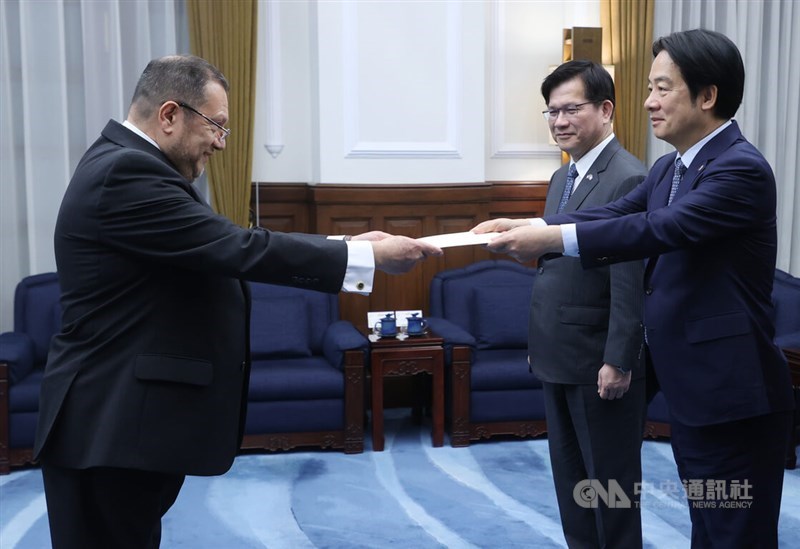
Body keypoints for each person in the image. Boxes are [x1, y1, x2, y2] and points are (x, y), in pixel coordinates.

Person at [33, 54, 442, 549]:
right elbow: (238, 248)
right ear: (169, 115)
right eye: (216, 126)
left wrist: (352, 245)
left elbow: (223, 245)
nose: (221, 143)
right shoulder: (126, 173)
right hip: (107, 425)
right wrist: (364, 258)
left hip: (120, 424)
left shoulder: (130, 165)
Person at [475, 29, 793, 548]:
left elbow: (653, 230)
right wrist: (529, 223)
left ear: (707, 96)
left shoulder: (740, 169)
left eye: (662, 88)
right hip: (694, 391)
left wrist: (549, 236)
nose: (647, 102)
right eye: (649, 87)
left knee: (737, 532)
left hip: (735, 394)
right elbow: (615, 212)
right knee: (708, 529)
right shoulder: (671, 167)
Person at [478, 60, 647, 548]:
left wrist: (619, 358)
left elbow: (629, 281)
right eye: (551, 112)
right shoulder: (564, 177)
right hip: (558, 356)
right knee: (573, 486)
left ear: (606, 109)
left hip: (598, 361)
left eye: (571, 109)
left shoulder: (629, 178)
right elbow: (557, 263)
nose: (559, 122)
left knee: (610, 489)